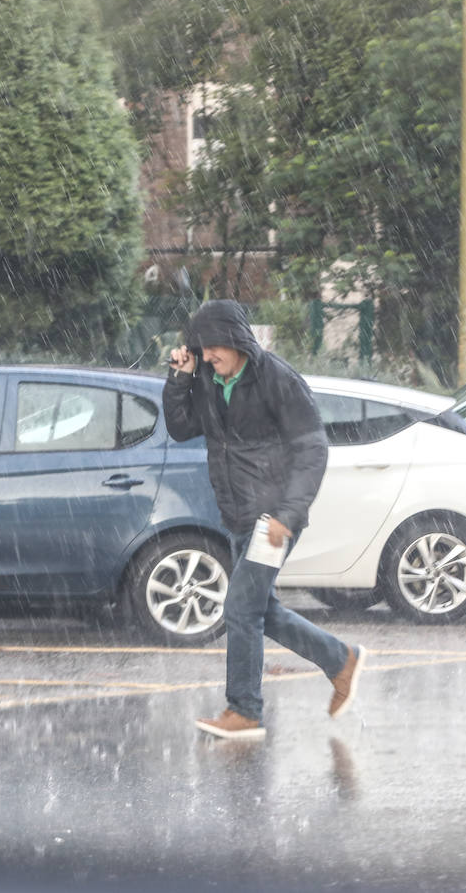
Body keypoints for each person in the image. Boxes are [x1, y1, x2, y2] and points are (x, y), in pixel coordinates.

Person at [163, 300, 364, 741]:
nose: (209, 355)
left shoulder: (277, 378)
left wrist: (288, 514)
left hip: (271, 518)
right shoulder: (208, 381)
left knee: (239, 609)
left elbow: (312, 450)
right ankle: (340, 660)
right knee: (260, 611)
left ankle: (245, 711)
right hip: (237, 513)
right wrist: (179, 378)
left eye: (215, 347)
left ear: (236, 341)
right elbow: (180, 428)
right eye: (203, 348)